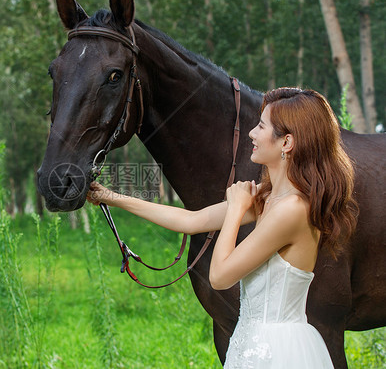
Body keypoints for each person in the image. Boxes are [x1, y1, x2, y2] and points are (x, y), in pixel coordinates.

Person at [86, 87, 358, 368]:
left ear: (286, 142)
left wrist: (237, 209)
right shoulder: (269, 197)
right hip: (251, 343)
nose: (252, 133)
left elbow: (219, 277)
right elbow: (191, 221)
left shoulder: (292, 209)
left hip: (278, 351)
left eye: (261, 126)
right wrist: (110, 197)